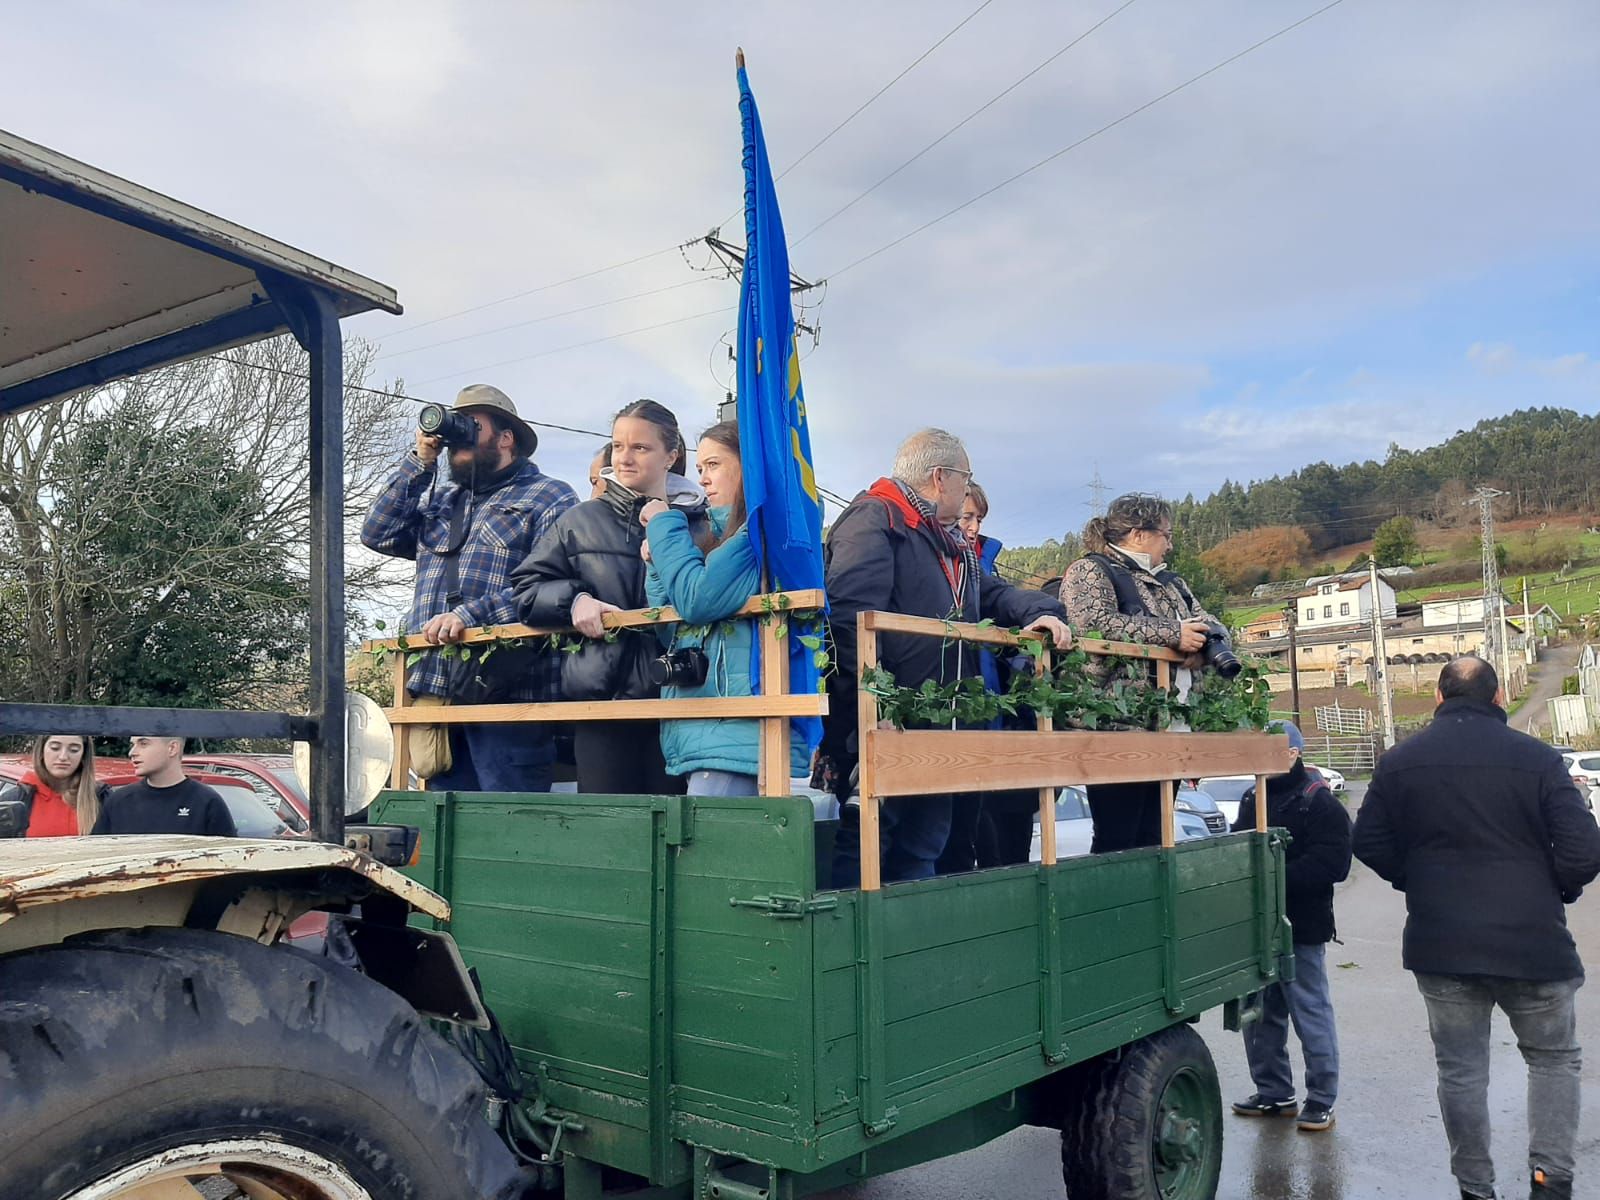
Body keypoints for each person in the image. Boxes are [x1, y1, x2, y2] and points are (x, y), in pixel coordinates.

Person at [1353, 657, 1600, 1200]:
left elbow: (1367, 842)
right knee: (1554, 1060)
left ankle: (1476, 1188)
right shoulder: (1538, 760)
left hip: (1442, 944)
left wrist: (1418, 882)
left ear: (1439, 699)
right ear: (1499, 699)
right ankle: (1549, 1181)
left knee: (1461, 1071)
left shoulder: (1399, 762)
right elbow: (1584, 852)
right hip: (1534, 942)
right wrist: (1555, 889)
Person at [822, 429, 1071, 887]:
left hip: (942, 727)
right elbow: (849, 620)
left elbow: (992, 594)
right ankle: (846, 953)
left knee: (922, 851)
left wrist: (1042, 612)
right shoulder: (875, 520)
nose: (966, 487)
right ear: (940, 478)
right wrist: (878, 707)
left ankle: (909, 951)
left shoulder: (951, 543)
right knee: (867, 846)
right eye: (965, 477)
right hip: (889, 725)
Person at [361, 384, 578, 793]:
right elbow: (377, 532)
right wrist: (421, 460)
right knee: (445, 829)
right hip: (436, 687)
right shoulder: (442, 501)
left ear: (506, 437)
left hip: (508, 692)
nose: (458, 437)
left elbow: (554, 587)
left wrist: (471, 616)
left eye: (471, 426)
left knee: (508, 825)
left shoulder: (551, 496)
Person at [512, 399, 706, 795]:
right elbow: (526, 592)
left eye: (640, 447)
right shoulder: (579, 520)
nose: (625, 458)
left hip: (681, 702)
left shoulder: (702, 525)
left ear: (671, 456)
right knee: (607, 835)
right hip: (601, 706)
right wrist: (574, 600)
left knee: (675, 834)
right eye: (618, 446)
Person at [641, 421, 809, 795]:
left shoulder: (758, 536)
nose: (703, 479)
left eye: (714, 465)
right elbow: (672, 630)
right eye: (700, 469)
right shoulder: (717, 537)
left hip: (735, 738)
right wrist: (657, 564)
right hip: (710, 734)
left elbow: (697, 601)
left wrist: (663, 523)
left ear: (749, 467)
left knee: (712, 852)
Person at [1058, 493, 1219, 852]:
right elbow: (1093, 623)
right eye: (1167, 534)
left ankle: (1150, 907)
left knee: (1158, 836)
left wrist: (1205, 645)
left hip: (1170, 725)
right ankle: (1113, 906)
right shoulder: (1091, 570)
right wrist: (1174, 636)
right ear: (1139, 534)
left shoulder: (1172, 582)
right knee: (1119, 838)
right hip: (1118, 727)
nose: (1171, 544)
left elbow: (1210, 622)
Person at [1229, 720, 1351, 1134]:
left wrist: (1273, 877)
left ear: (1293, 753)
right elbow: (1238, 846)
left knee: (1310, 1013)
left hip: (1302, 929)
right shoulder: (1252, 797)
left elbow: (1334, 864)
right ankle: (1274, 1092)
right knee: (1260, 1017)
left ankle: (1321, 1099)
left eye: (1271, 751)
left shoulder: (1319, 803)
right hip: (1256, 929)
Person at [937, 480, 1035, 872]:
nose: (974, 526)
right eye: (967, 517)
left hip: (998, 718)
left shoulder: (986, 565)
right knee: (957, 836)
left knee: (1004, 842)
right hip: (953, 712)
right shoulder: (937, 560)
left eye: (978, 518)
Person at [92, 737, 235, 836]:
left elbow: (229, 867)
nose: (132, 753)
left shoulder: (207, 802)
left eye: (143, 744)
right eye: (132, 744)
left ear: (172, 748)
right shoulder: (118, 801)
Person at [0, 734, 109, 837]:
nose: (63, 757)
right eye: (55, 748)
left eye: (74, 750)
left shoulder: (102, 798)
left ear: (83, 755)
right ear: (41, 750)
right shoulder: (16, 799)